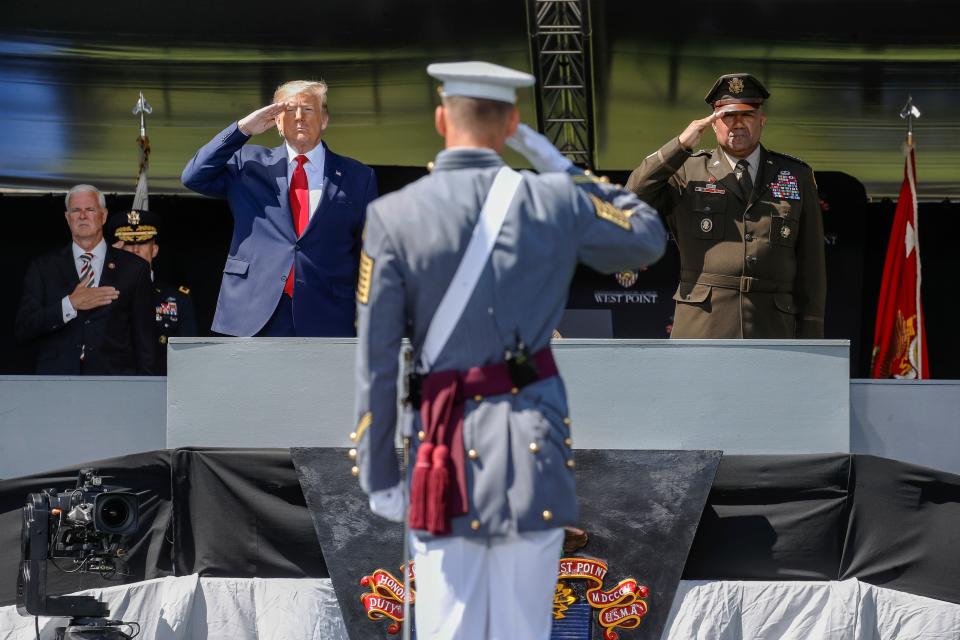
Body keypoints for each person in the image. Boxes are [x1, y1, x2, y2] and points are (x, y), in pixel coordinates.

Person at [351, 62, 666, 640]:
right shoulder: (551, 199)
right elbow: (645, 236)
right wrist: (557, 164)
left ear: (442, 119)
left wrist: (379, 474)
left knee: (450, 627)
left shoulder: (391, 215)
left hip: (441, 448)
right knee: (524, 628)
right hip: (530, 445)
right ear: (513, 123)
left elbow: (375, 359)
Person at [626, 73, 826, 338]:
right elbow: (631, 197)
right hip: (704, 324)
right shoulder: (687, 170)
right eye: (728, 116)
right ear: (713, 124)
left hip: (772, 326)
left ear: (762, 121)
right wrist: (680, 145)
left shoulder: (795, 174)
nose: (737, 124)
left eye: (747, 115)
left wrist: (811, 332)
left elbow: (812, 264)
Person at [181, 80, 378, 336]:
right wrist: (242, 129)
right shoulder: (249, 164)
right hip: (253, 313)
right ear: (276, 121)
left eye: (307, 109)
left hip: (328, 315)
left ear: (324, 119)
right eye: (289, 110)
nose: (298, 117)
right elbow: (193, 176)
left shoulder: (358, 177)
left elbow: (371, 253)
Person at [15, 185, 155, 375]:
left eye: (89, 209)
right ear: (67, 218)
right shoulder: (43, 268)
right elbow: (25, 327)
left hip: (114, 383)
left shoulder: (134, 268)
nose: (82, 216)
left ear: (103, 216)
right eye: (76, 210)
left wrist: (144, 390)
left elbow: (144, 339)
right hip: (57, 383)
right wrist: (69, 304)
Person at [107, 209, 197, 375]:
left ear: (154, 250)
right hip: (115, 385)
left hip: (164, 386)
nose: (135, 250)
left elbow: (188, 354)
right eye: (127, 244)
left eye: (141, 242)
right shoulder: (104, 292)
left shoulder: (178, 298)